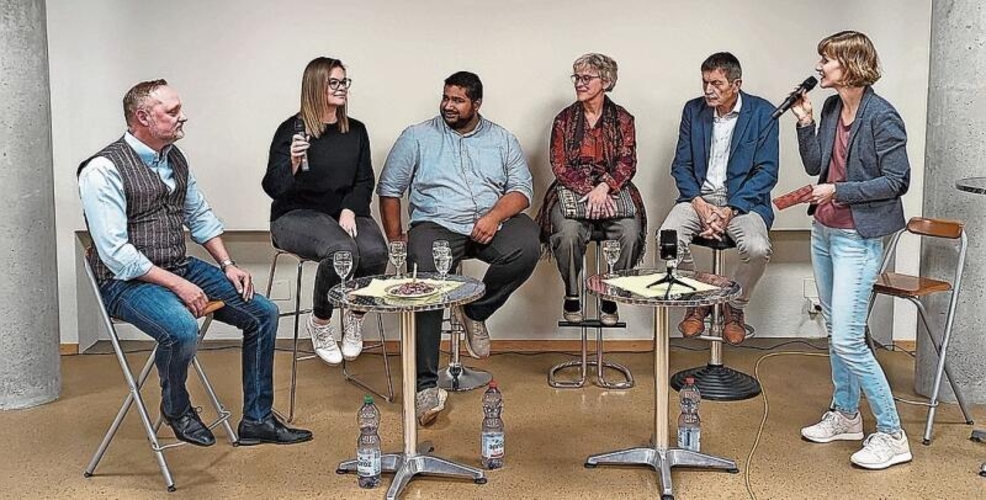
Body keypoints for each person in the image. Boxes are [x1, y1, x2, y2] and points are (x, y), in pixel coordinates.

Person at [78, 80, 311, 446]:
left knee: (263, 312)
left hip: (177, 266)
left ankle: (258, 420)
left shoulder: (175, 158)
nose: (182, 117)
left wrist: (228, 264)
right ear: (142, 117)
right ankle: (176, 407)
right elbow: (116, 254)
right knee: (182, 328)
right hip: (125, 284)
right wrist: (177, 285)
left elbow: (200, 216)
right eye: (172, 112)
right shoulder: (102, 170)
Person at [377, 71, 538, 426]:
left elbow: (522, 190)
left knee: (527, 245)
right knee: (429, 287)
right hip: (436, 225)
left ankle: (476, 312)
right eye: (446, 98)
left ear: (476, 104)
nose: (449, 105)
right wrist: (396, 238)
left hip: (487, 224)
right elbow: (389, 189)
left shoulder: (501, 139)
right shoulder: (416, 137)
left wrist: (495, 216)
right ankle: (425, 387)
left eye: (458, 100)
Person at [792, 30, 912, 469]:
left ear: (850, 64)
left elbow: (896, 181)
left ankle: (893, 434)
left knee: (847, 337)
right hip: (824, 232)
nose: (819, 67)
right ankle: (846, 415)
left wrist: (838, 191)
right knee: (834, 331)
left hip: (858, 237)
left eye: (826, 60)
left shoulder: (883, 116)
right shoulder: (829, 107)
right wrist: (805, 123)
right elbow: (814, 165)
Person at [263, 57, 388, 365]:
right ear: (315, 86)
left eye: (344, 82)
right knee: (342, 251)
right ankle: (320, 323)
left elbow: (364, 180)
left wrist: (349, 209)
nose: (342, 88)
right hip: (295, 214)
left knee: (374, 253)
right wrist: (292, 162)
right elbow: (273, 187)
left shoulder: (356, 131)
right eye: (334, 82)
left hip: (342, 212)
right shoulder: (292, 130)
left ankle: (354, 319)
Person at [659, 52, 779, 345]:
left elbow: (767, 172)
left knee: (757, 247)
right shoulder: (693, 110)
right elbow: (681, 165)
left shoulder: (764, 113)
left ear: (736, 84)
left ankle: (733, 306)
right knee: (667, 238)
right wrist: (699, 203)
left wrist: (730, 209)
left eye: (717, 83)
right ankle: (698, 298)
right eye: (705, 82)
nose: (708, 90)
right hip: (698, 197)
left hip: (744, 201)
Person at [535, 53, 646, 325]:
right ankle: (572, 293)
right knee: (567, 231)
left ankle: (610, 293)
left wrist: (605, 187)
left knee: (631, 232)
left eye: (587, 78)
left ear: (606, 82)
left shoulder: (623, 119)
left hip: (613, 190)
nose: (580, 83)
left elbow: (627, 160)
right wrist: (590, 190)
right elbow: (558, 164)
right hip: (571, 189)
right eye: (577, 78)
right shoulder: (563, 120)